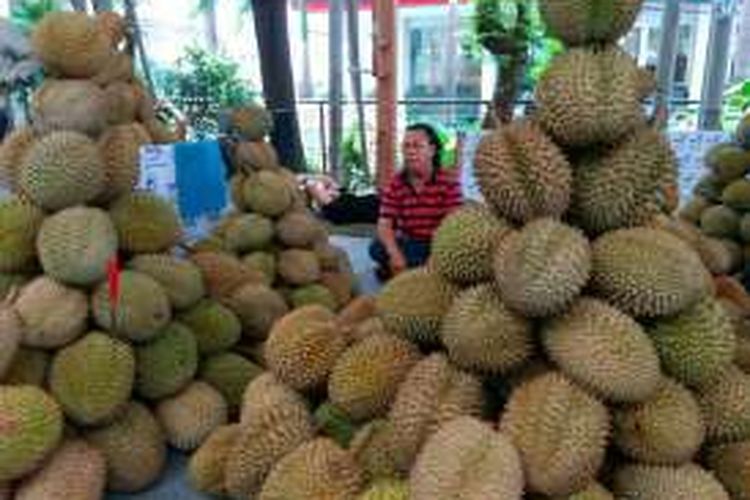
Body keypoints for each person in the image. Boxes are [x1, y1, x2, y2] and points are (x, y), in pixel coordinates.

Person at [370, 123, 463, 279]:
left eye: (417, 146)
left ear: (432, 151)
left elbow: (455, 224)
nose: (410, 151)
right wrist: (395, 254)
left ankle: (415, 270)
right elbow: (384, 223)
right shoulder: (397, 183)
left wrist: (441, 253)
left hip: (439, 244)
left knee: (458, 256)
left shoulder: (448, 182)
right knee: (376, 248)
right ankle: (414, 269)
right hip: (411, 242)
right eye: (406, 146)